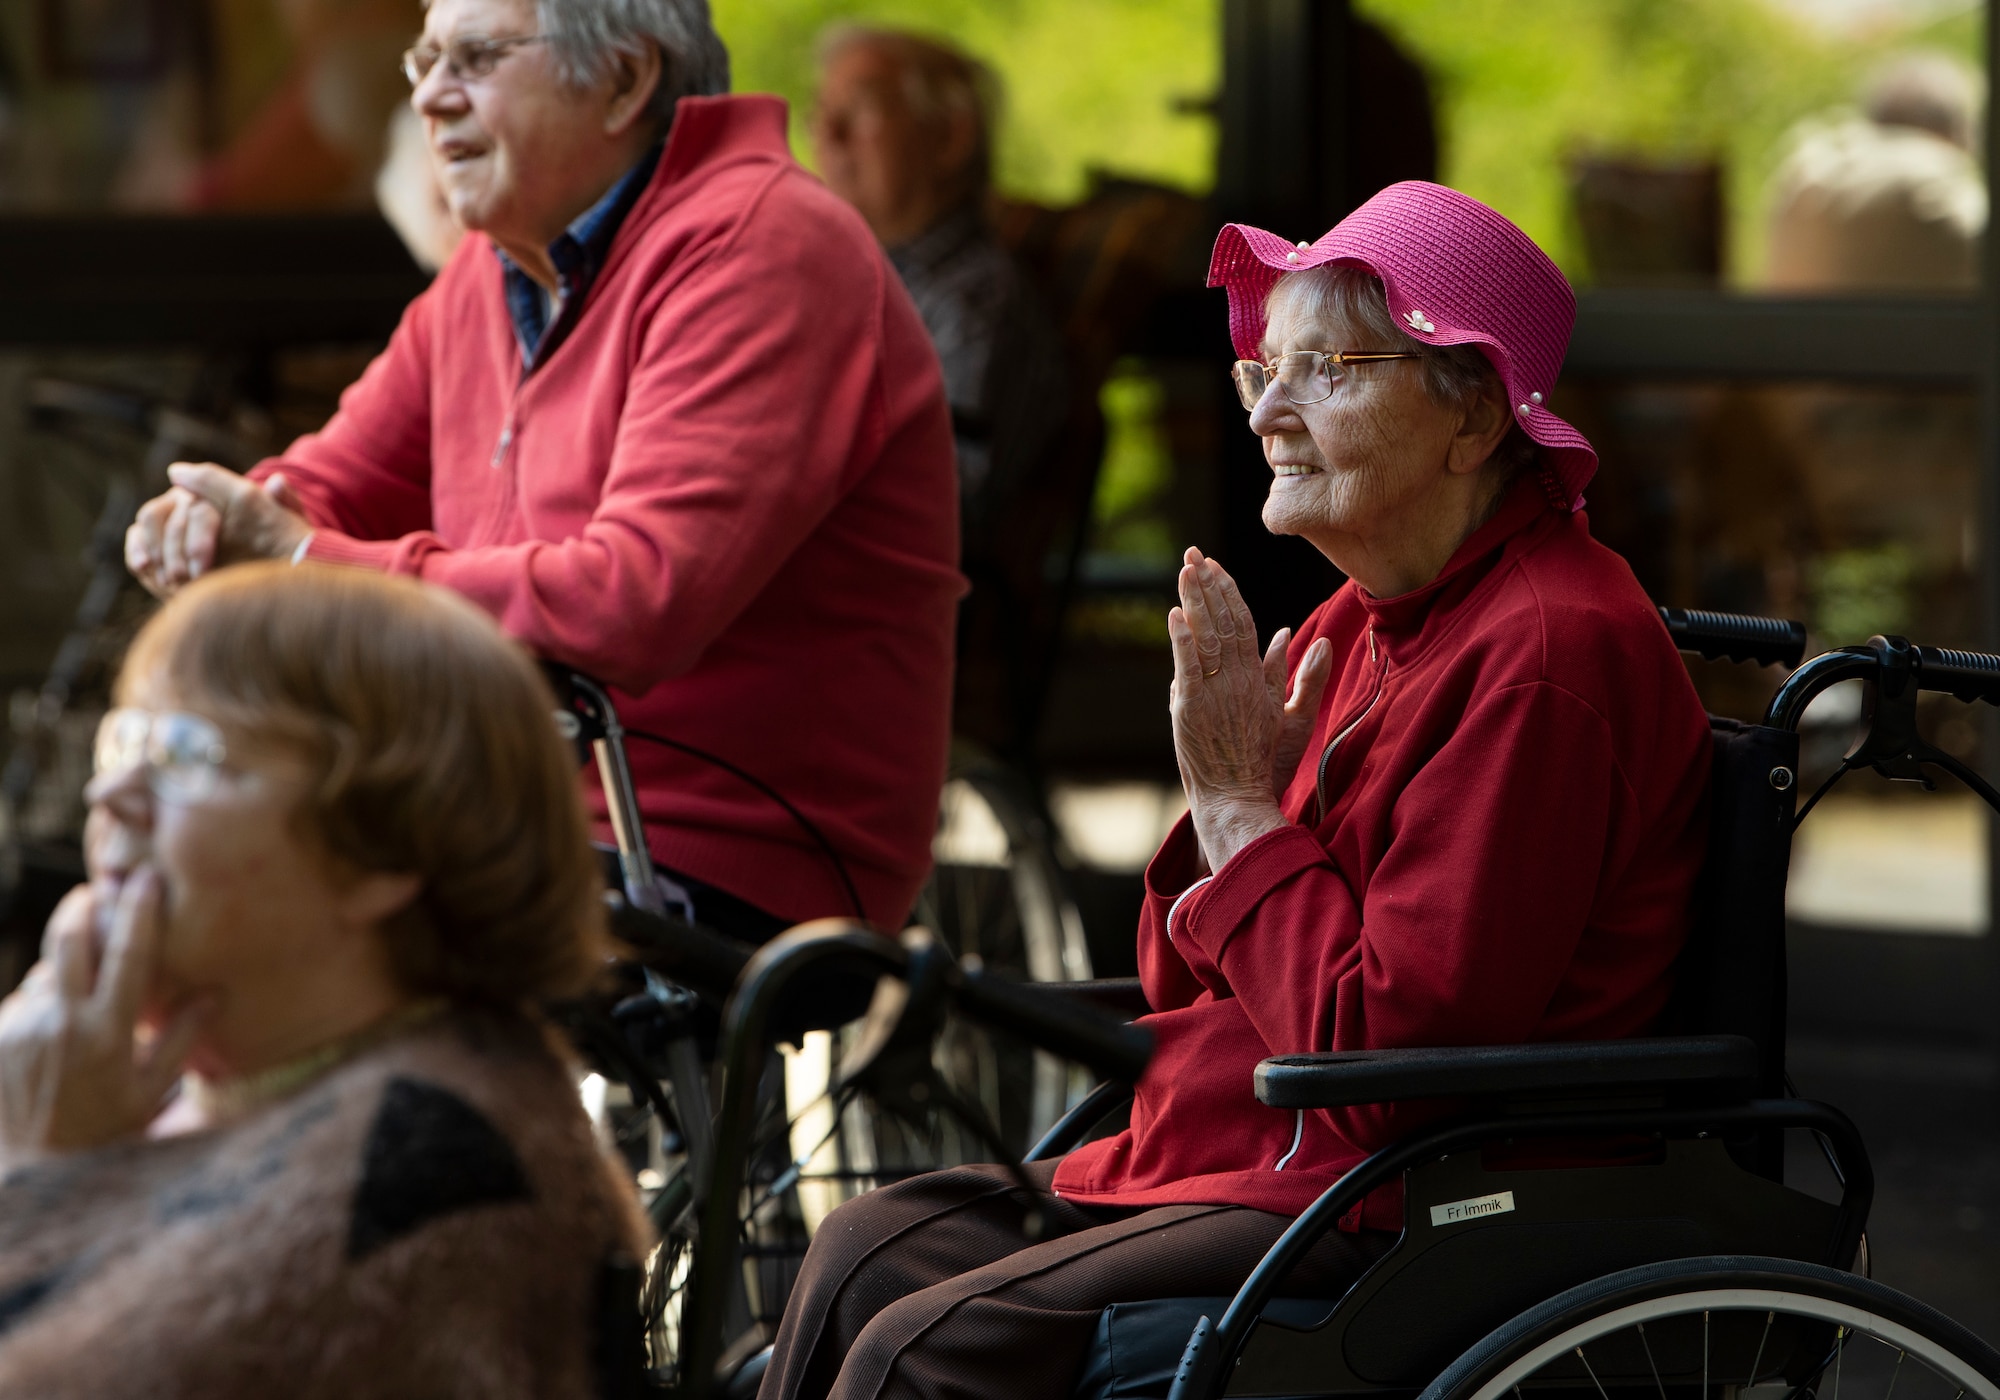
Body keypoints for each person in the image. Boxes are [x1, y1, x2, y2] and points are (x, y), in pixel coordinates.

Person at [757, 182, 1713, 1400]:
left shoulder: (1543, 652)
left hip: (1420, 1186)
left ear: (1472, 416)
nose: (1267, 410)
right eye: (1261, 367)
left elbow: (1385, 1058)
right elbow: (1183, 977)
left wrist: (1238, 809)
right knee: (856, 1251)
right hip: (1266, 1132)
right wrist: (1227, 806)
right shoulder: (1359, 618)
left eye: (1326, 370)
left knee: (920, 1341)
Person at [124, 0, 961, 942]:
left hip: (721, 856)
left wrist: (300, 560)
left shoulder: (763, 248)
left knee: (257, 926)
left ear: (623, 80)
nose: (433, 98)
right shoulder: (490, 272)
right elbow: (324, 484)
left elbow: (631, 599)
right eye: (425, 59)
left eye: (476, 57)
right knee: (168, 870)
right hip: (515, 811)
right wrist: (225, 517)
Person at [0, 562, 645, 1396]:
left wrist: (34, 1171)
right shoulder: (190, 1085)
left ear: (382, 853)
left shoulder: (431, 1165)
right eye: (123, 739)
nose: (110, 791)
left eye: (189, 751)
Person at [810, 26, 1065, 550]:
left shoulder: (974, 303)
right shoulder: (851, 280)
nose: (828, 134)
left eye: (860, 108)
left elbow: (936, 511)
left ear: (950, 137)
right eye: (821, 109)